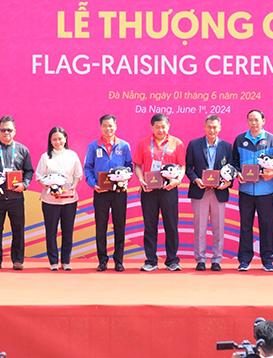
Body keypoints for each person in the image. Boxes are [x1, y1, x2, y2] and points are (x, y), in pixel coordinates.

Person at [0, 116, 33, 271]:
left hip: (16, 197)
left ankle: (17, 260)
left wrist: (24, 185)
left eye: (9, 130)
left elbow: (29, 171)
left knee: (18, 229)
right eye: (3, 130)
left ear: (14, 131)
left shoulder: (23, 150)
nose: (6, 132)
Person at [133, 113, 185, 271]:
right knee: (150, 225)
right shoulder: (143, 143)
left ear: (168, 126)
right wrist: (141, 180)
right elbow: (137, 165)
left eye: (163, 126)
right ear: (152, 127)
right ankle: (150, 260)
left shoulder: (177, 143)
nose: (161, 130)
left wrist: (178, 180)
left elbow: (182, 166)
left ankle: (172, 261)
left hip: (169, 189)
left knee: (171, 225)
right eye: (157, 127)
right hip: (149, 190)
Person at [231, 110, 273, 272]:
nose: (254, 123)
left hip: (265, 190)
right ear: (247, 122)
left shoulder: (271, 140)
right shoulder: (240, 139)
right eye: (251, 120)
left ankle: (267, 260)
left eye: (257, 120)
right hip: (245, 190)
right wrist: (238, 173)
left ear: (263, 121)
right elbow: (234, 163)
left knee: (266, 225)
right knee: (246, 225)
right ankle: (245, 259)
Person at [84, 115, 132, 272]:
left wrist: (125, 180)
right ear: (100, 127)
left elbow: (129, 166)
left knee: (119, 226)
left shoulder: (124, 146)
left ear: (115, 127)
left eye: (110, 126)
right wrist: (94, 184)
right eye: (105, 126)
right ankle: (102, 260)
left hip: (119, 192)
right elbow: (88, 168)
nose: (108, 129)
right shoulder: (93, 147)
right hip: (101, 192)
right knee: (101, 226)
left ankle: (119, 260)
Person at [185, 115, 233, 271]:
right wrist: (196, 179)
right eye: (209, 126)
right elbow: (188, 167)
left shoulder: (227, 146)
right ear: (204, 127)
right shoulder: (194, 144)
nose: (212, 130)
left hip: (219, 191)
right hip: (200, 191)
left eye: (215, 127)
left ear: (220, 128)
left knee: (218, 227)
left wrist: (228, 181)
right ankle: (200, 259)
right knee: (200, 226)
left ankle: (216, 260)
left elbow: (232, 168)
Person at [36, 126, 83, 271]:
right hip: (50, 200)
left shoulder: (72, 155)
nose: (58, 142)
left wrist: (74, 186)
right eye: (55, 139)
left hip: (69, 200)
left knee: (68, 231)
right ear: (50, 141)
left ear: (65, 139)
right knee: (51, 232)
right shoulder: (45, 157)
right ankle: (53, 262)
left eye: (60, 138)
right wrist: (50, 190)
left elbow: (78, 175)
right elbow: (39, 177)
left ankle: (66, 261)